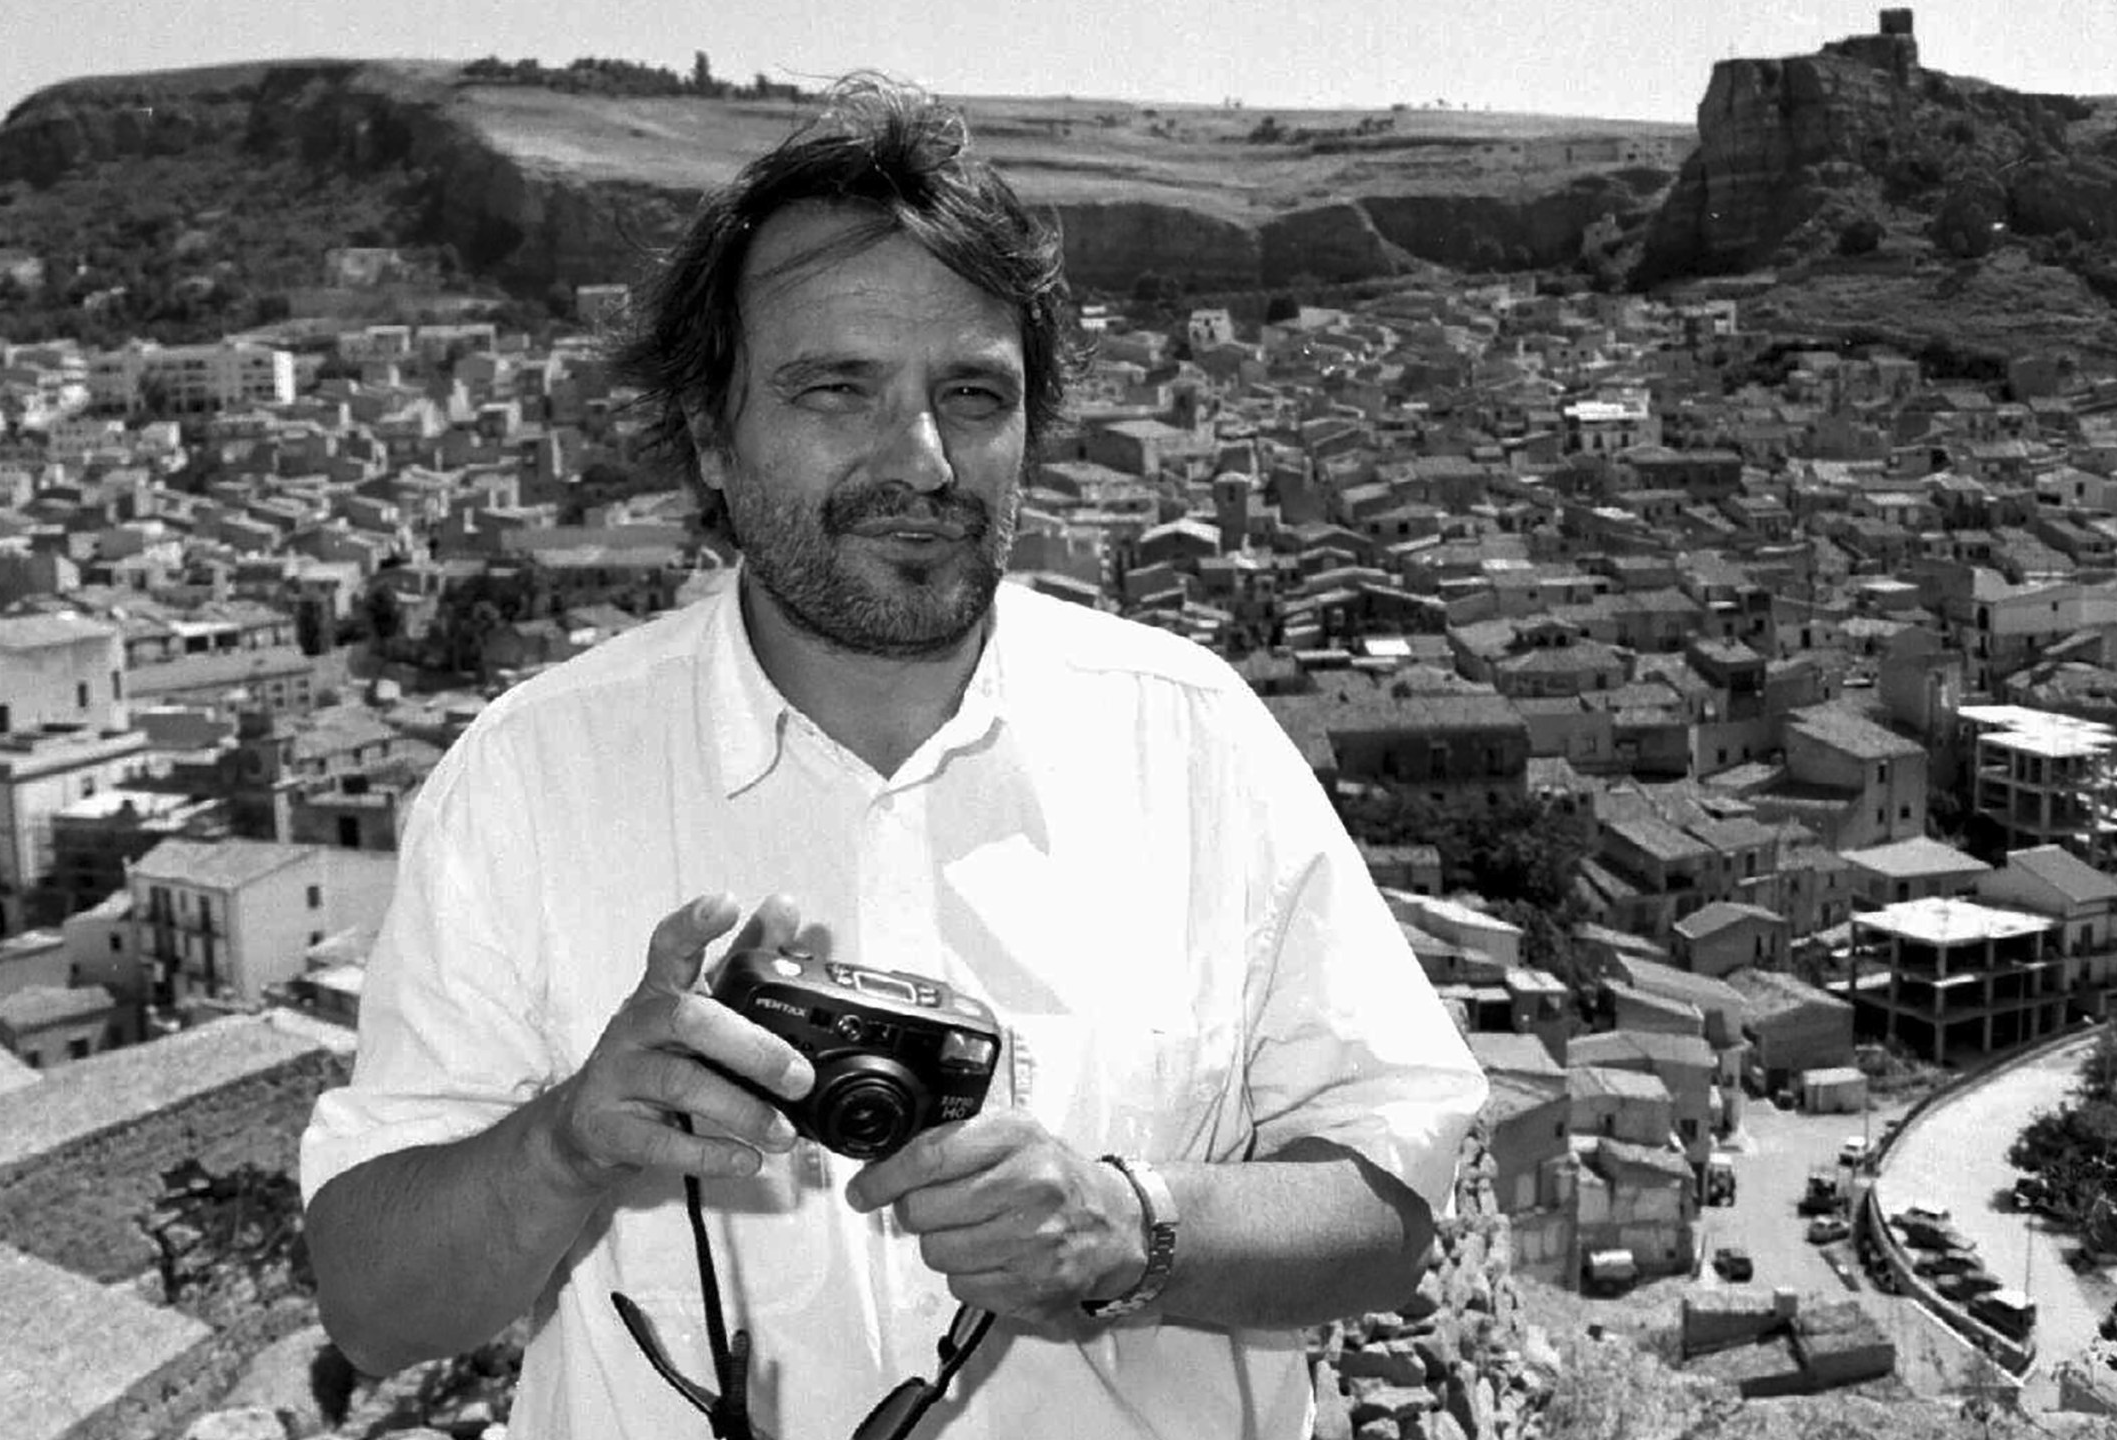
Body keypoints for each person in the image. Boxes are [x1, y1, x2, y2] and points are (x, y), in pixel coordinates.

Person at [300, 78, 1487, 1440]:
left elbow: (1391, 1205)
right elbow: (375, 1309)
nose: (918, 457)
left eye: (973, 393)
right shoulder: (530, 782)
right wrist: (567, 1139)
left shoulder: (1192, 741)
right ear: (710, 432)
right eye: (834, 388)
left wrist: (1135, 1227)